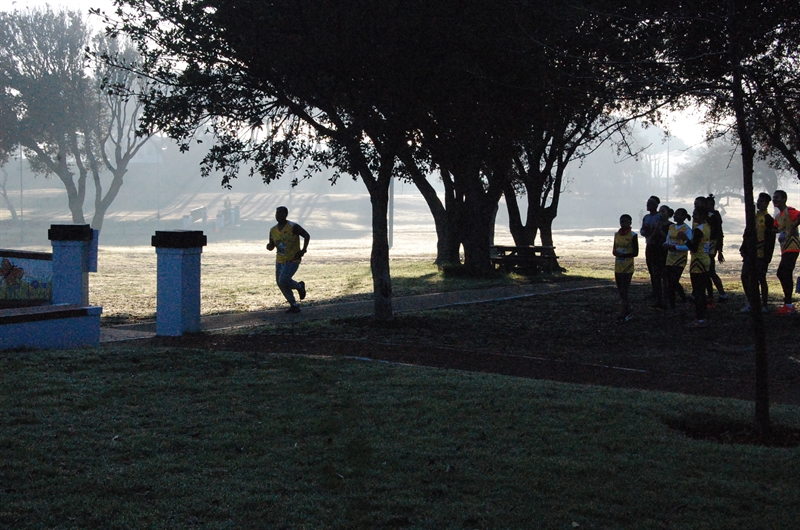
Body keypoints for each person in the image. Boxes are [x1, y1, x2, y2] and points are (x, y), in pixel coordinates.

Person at [266, 206, 310, 313]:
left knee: (283, 280)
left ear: (286, 215)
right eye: (277, 213)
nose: (278, 216)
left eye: (280, 213)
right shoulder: (273, 230)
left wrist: (303, 250)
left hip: (293, 259)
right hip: (280, 260)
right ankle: (294, 305)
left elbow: (306, 235)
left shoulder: (293, 226)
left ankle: (299, 286)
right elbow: (272, 245)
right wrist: (269, 246)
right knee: (280, 283)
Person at [740, 193, 775, 313]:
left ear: (767, 204)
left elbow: (770, 240)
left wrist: (767, 257)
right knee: (745, 276)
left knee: (761, 278)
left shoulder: (768, 219)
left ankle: (764, 305)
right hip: (750, 253)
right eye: (758, 201)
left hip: (761, 254)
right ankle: (751, 302)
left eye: (762, 201)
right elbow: (747, 234)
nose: (759, 203)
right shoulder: (753, 217)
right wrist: (743, 247)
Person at [772, 189, 800, 315]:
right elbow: (775, 228)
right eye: (774, 197)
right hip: (784, 248)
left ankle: (788, 303)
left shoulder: (790, 211)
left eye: (777, 197)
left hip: (793, 246)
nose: (775, 200)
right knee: (783, 273)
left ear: (784, 199)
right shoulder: (778, 216)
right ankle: (787, 302)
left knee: (784, 272)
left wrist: (794, 226)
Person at [686, 203, 712, 327]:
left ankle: (700, 318)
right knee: (701, 290)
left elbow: (693, 247)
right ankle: (703, 316)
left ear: (701, 215)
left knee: (698, 291)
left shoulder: (698, 230)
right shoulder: (707, 227)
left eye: (695, 214)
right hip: (705, 259)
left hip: (697, 262)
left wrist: (685, 239)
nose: (693, 216)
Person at [663, 207, 691, 313]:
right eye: (675, 214)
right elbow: (668, 239)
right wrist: (666, 245)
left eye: (678, 214)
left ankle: (682, 299)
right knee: (669, 282)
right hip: (670, 258)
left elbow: (688, 246)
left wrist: (676, 247)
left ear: (683, 217)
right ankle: (672, 304)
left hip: (680, 258)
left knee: (674, 281)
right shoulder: (671, 227)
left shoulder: (687, 229)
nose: (675, 216)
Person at [613, 214, 639, 322]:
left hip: (627, 266)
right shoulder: (616, 234)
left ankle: (621, 313)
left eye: (625, 222)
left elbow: (635, 252)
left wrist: (624, 255)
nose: (623, 224)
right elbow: (614, 249)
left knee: (624, 289)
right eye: (622, 221)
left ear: (630, 223)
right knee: (620, 290)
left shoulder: (633, 235)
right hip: (618, 266)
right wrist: (616, 253)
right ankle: (628, 310)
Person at [640, 195, 664, 307]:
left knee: (657, 271)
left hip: (658, 246)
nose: (647, 205)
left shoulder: (659, 217)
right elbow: (642, 231)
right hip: (649, 244)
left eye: (650, 203)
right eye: (647, 203)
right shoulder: (646, 217)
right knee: (651, 269)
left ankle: (660, 293)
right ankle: (655, 291)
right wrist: (645, 231)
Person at [705, 194, 728, 305]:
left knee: (710, 271)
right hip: (707, 245)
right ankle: (713, 295)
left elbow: (719, 233)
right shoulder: (705, 215)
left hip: (711, 245)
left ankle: (721, 294)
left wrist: (720, 250)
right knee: (707, 272)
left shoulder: (714, 216)